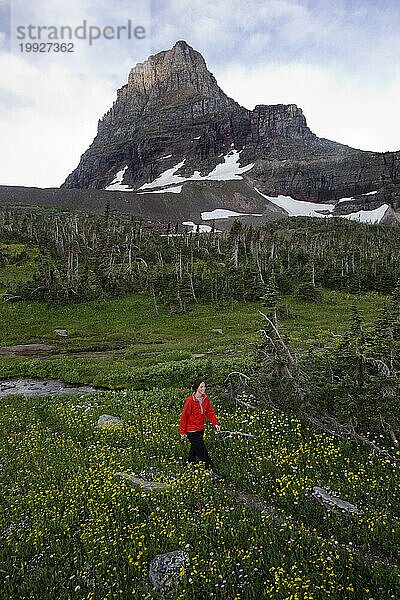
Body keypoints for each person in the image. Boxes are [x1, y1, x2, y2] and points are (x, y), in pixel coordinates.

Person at [179, 379, 222, 479]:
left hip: (200, 429)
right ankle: (209, 471)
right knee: (202, 451)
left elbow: (210, 412)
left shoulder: (205, 399)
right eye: (201, 387)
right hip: (191, 430)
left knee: (194, 448)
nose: (204, 389)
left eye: (204, 386)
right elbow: (184, 417)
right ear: (196, 388)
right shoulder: (190, 400)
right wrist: (182, 432)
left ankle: (190, 465)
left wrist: (215, 424)